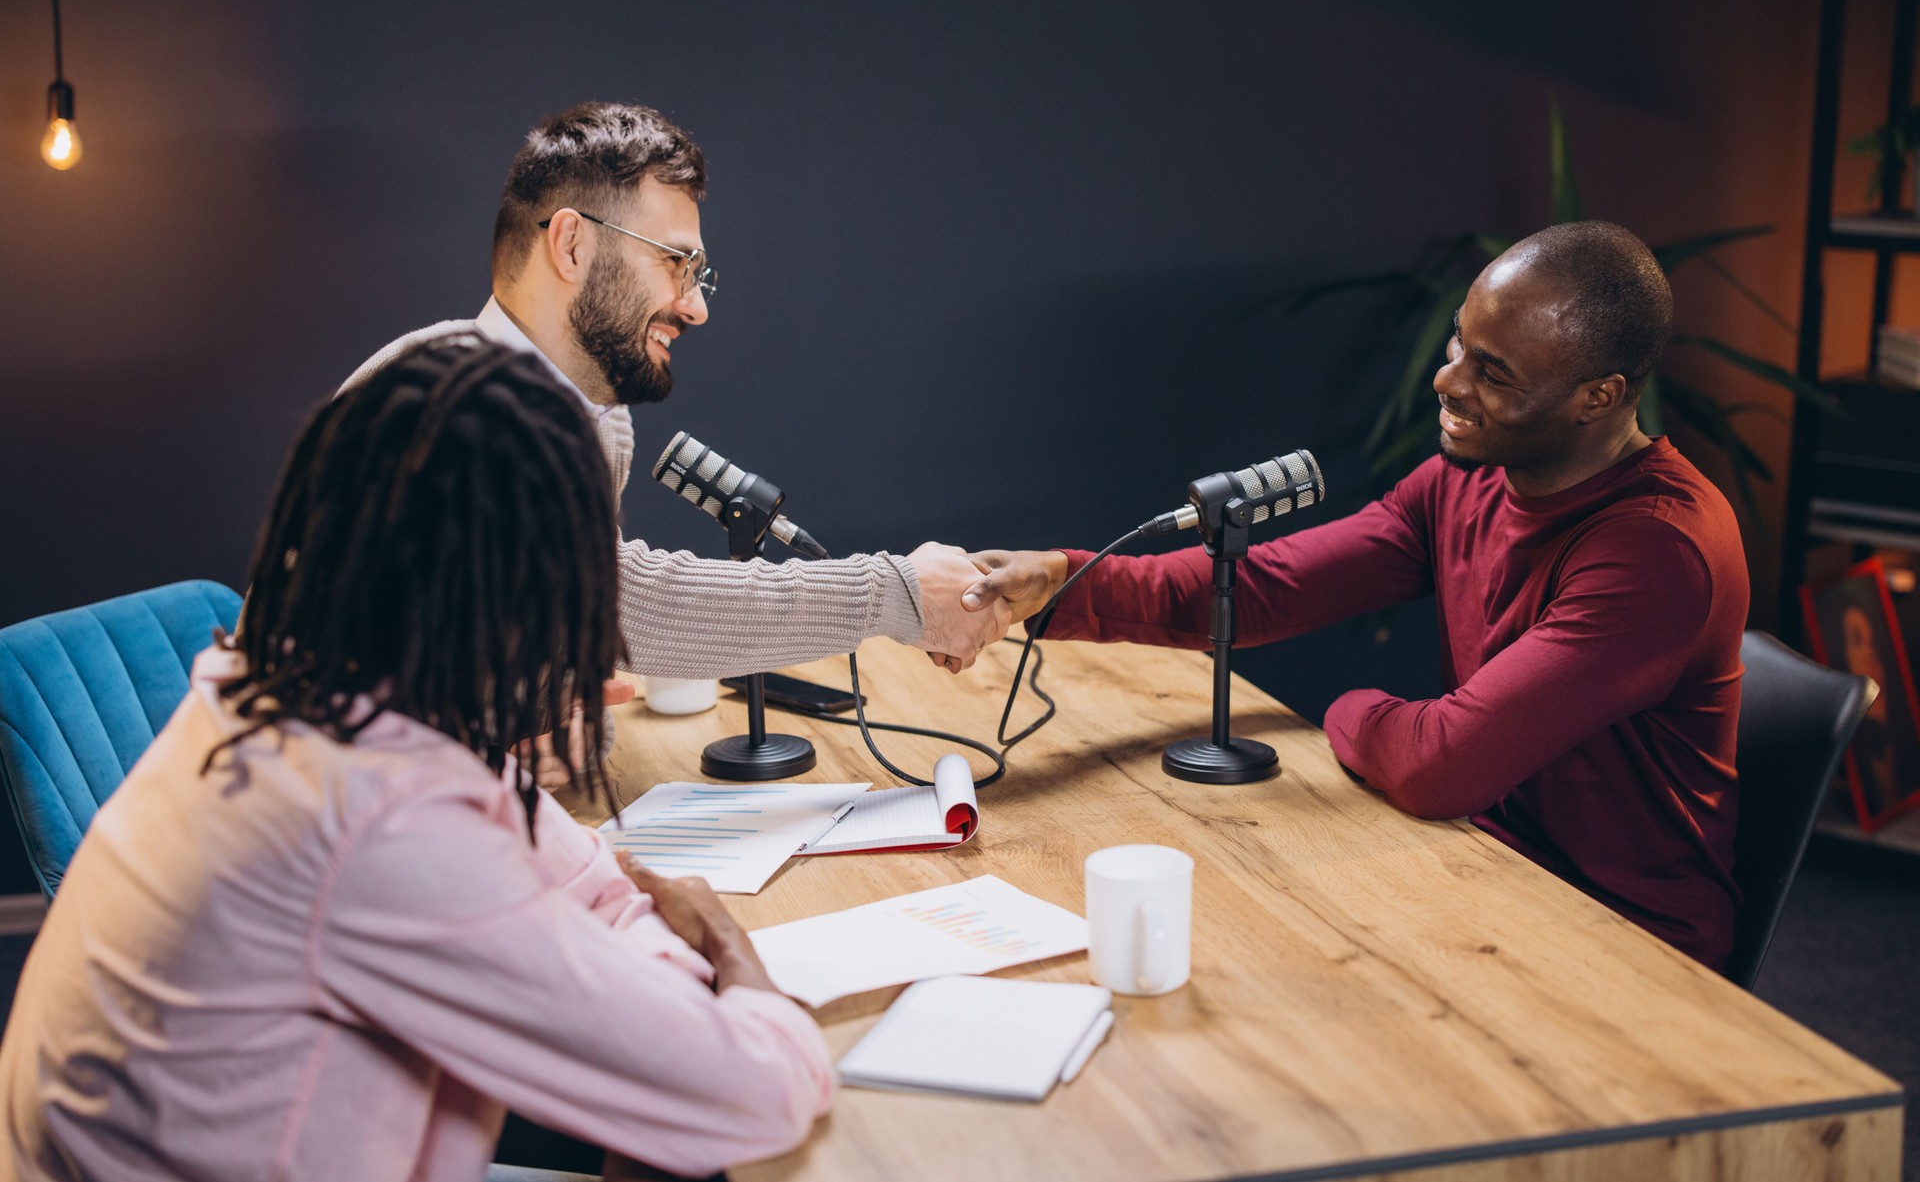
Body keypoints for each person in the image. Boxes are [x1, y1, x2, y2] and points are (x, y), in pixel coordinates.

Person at [0, 339, 832, 1180]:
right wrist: (724, 946)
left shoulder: (286, 684)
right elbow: (756, 1091)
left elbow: (595, 886)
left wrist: (656, 989)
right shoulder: (376, 819)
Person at [962, 222, 1750, 970]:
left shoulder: (1656, 550)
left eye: (1494, 373)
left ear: (1599, 397)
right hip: (1488, 867)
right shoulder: (1461, 483)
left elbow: (1443, 764)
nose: (1448, 381)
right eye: (1458, 344)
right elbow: (1261, 587)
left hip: (1623, 938)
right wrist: (1060, 580)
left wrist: (1349, 709)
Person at [343, 101, 1010, 709]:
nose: (697, 306)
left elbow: (551, 629)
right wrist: (896, 593)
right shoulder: (449, 400)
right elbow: (616, 602)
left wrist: (536, 720)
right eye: (675, 264)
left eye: (699, 274)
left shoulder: (601, 418)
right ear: (572, 244)